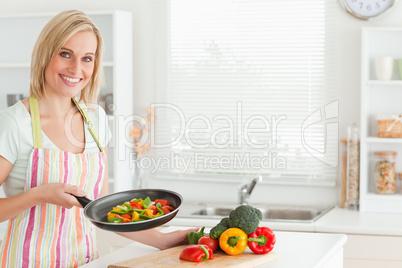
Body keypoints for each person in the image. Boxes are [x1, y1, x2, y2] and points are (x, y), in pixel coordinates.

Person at [0, 10, 196, 267]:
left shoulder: (96, 120)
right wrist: (39, 195)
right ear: (45, 54)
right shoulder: (14, 123)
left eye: (87, 58)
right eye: (65, 54)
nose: (76, 68)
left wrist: (162, 239)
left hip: (85, 261)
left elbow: (100, 211)